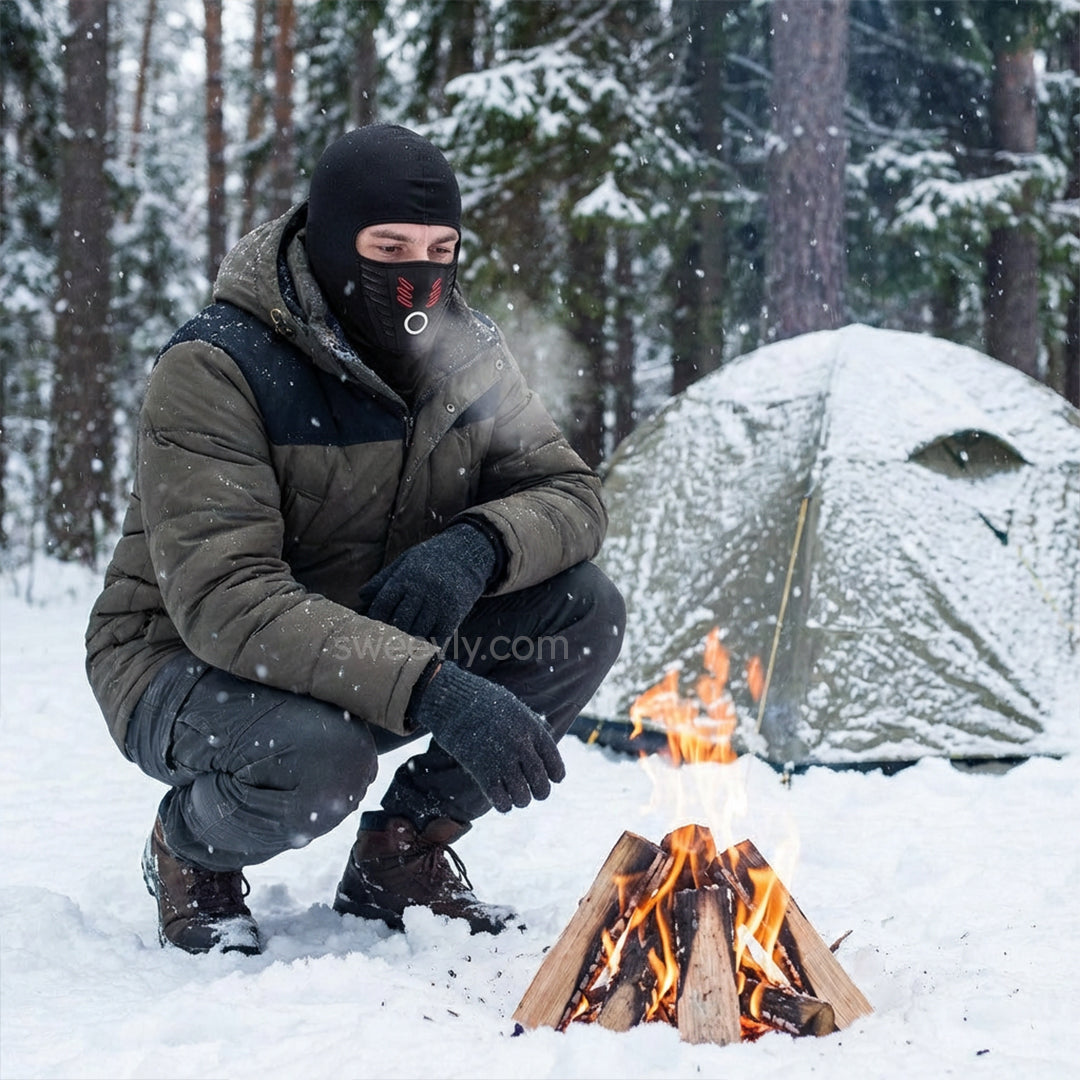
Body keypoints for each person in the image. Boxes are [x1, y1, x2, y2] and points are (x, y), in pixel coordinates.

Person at [86, 123, 625, 956]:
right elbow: (228, 601)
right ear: (336, 243)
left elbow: (570, 493)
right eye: (390, 246)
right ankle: (189, 848)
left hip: (362, 638)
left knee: (582, 608)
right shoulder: (219, 367)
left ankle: (400, 854)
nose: (421, 273)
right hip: (178, 659)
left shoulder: (466, 354)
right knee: (319, 758)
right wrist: (433, 688)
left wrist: (478, 544)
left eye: (441, 248)